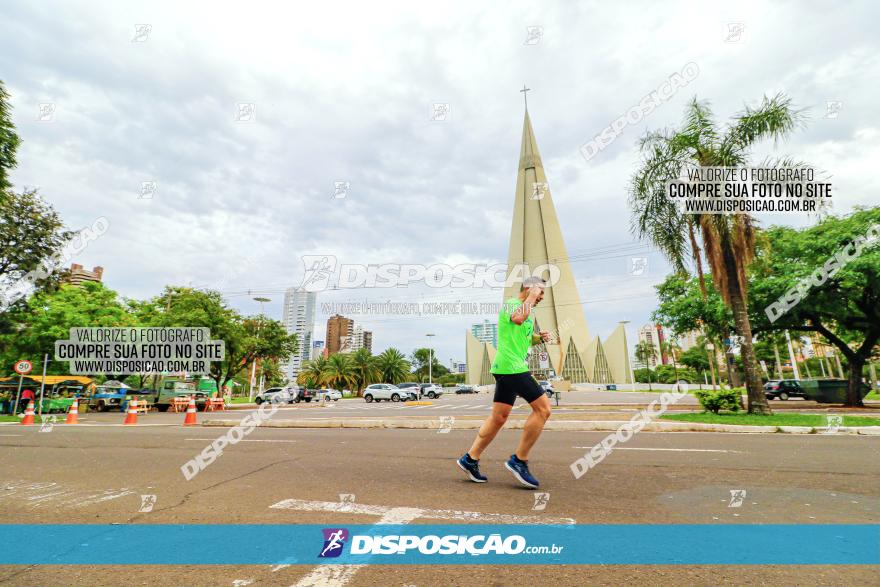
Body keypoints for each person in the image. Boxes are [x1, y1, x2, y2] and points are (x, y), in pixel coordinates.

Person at [457, 277, 552, 488]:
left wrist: (539, 338)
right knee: (543, 410)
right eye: (540, 292)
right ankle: (519, 461)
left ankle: (470, 459)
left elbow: (521, 336)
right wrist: (532, 296)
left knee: (499, 417)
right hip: (512, 367)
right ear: (529, 289)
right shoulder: (513, 304)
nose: (541, 297)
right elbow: (518, 318)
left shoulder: (526, 311)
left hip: (505, 367)